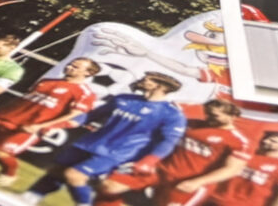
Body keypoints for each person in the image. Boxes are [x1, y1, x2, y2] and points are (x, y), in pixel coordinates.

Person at [0, 57, 102, 186]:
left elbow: (74, 115)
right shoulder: (47, 81)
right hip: (3, 116)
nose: (69, 67)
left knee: (1, 152)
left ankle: (10, 174)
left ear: (88, 73)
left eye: (75, 67)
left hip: (28, 127)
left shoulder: (84, 92)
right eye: (70, 64)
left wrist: (42, 126)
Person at [27, 72, 187, 205]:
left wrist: (149, 161)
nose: (142, 80)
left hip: (116, 153)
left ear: (160, 86)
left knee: (74, 175)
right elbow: (91, 116)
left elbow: (169, 141)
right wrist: (57, 125)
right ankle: (31, 197)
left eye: (148, 79)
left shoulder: (172, 114)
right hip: (89, 143)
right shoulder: (123, 98)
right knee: (57, 170)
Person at [97, 94, 251, 203]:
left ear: (233, 116)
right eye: (208, 114)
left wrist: (197, 182)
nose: (209, 118)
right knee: (109, 186)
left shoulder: (238, 141)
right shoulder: (192, 124)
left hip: (186, 181)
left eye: (215, 116)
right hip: (158, 170)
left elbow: (231, 169)